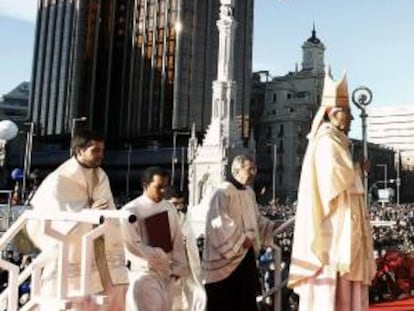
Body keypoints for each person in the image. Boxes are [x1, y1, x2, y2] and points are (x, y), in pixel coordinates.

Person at [288, 71, 376, 311]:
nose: (349, 118)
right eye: (346, 113)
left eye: (349, 113)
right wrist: (355, 170)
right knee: (334, 271)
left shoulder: (337, 140)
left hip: (343, 216)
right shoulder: (326, 141)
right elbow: (333, 180)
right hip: (333, 222)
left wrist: (357, 168)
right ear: (331, 113)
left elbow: (344, 174)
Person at [26, 129, 127, 310]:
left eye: (102, 150)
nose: (100, 155)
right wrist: (88, 213)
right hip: (69, 258)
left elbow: (108, 210)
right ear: (79, 151)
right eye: (95, 150)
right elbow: (56, 221)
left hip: (97, 256)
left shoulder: (100, 175)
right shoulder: (59, 180)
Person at [202, 154, 278, 311]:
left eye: (254, 169)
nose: (253, 173)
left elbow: (255, 219)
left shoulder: (249, 192)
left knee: (246, 301)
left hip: (246, 256)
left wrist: (271, 227)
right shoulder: (222, 192)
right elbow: (218, 223)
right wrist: (241, 240)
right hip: (225, 260)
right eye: (249, 169)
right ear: (236, 170)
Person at [120, 167, 188, 311]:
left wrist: (178, 268)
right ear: (145, 185)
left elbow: (176, 239)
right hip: (143, 272)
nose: (163, 191)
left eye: (165, 187)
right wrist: (158, 255)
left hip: (167, 274)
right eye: (158, 187)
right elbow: (132, 244)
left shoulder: (169, 208)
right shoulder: (130, 211)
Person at [166, 187, 207, 311]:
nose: (178, 207)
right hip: (168, 271)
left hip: (187, 269)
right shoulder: (157, 219)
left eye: (180, 203)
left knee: (198, 297)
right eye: (174, 204)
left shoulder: (184, 218)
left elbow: (191, 245)